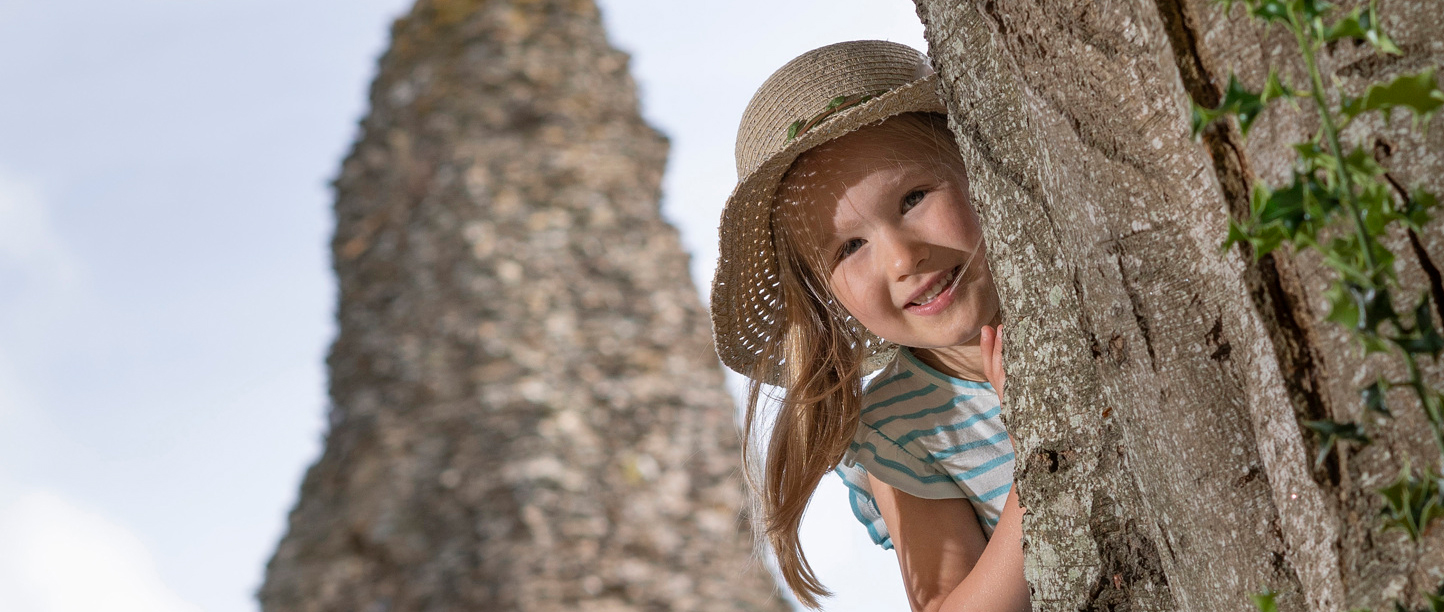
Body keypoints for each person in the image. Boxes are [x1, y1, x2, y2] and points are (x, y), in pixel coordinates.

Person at [709, 40, 1030, 612]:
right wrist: (1040, 456)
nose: (903, 259)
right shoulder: (899, 428)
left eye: (912, 198)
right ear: (823, 295)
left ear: (974, 164)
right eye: (851, 247)